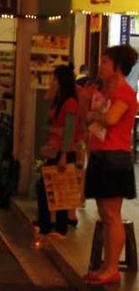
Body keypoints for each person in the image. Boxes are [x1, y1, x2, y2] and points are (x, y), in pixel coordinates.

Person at [81, 45, 138, 285]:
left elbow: (111, 118)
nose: (101, 66)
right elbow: (88, 117)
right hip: (100, 154)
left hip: (115, 157)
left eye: (106, 62)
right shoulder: (102, 90)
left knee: (112, 215)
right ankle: (106, 265)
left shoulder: (125, 92)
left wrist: (95, 114)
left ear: (117, 66)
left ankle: (112, 267)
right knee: (105, 213)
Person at [34, 64, 82, 239]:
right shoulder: (59, 100)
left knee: (54, 188)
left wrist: (63, 154)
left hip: (64, 151)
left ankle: (55, 226)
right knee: (50, 186)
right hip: (56, 149)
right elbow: (50, 123)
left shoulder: (70, 102)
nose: (51, 82)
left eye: (54, 79)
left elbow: (68, 131)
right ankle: (50, 224)